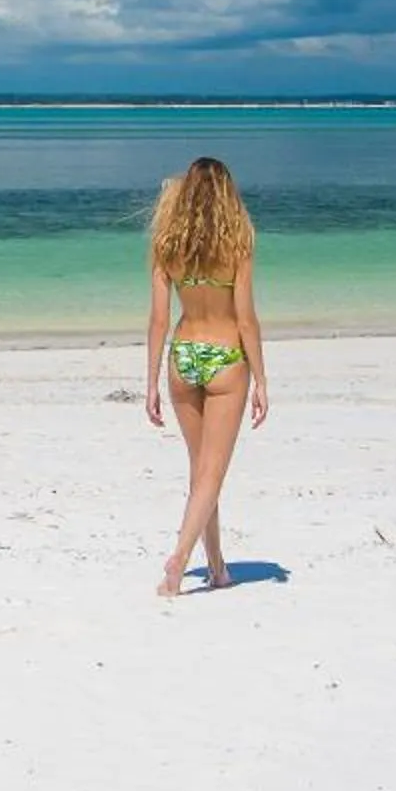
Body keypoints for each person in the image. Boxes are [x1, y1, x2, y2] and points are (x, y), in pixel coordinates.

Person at [142, 157, 269, 597]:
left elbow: (159, 320)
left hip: (184, 356)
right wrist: (263, 381)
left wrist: (151, 381)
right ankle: (178, 559)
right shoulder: (238, 244)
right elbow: (247, 320)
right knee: (211, 475)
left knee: (201, 473)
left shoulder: (166, 244)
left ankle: (217, 567)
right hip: (226, 357)